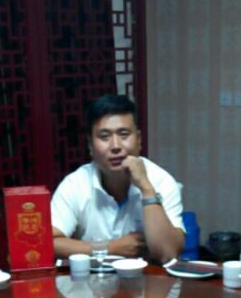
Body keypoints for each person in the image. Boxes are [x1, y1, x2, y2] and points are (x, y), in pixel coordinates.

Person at [51, 94, 185, 263]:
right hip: (92, 279)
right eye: (104, 136)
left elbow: (168, 254)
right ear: (90, 145)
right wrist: (109, 248)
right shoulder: (75, 184)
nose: (115, 146)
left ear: (139, 140)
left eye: (124, 134)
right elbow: (47, 244)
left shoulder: (162, 181)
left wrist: (146, 189)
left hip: (148, 278)